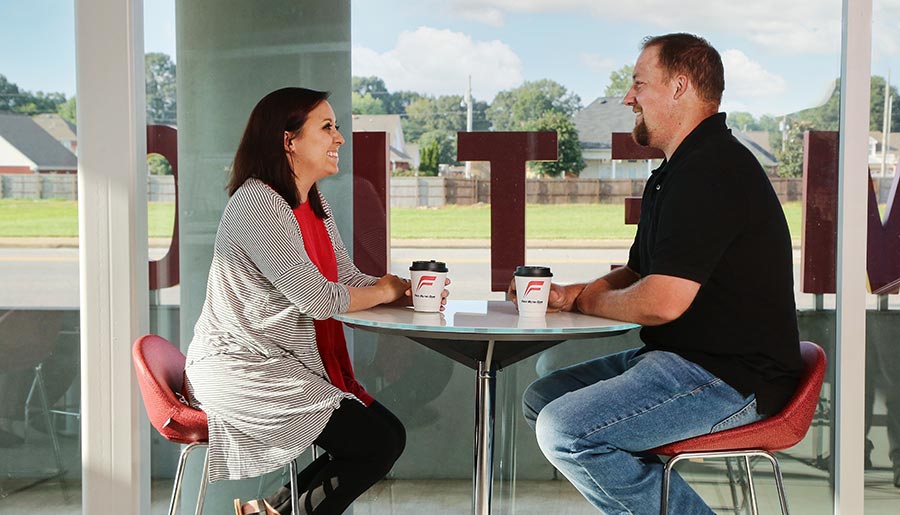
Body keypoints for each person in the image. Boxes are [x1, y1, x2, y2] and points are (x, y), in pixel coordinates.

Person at [512, 33, 804, 514]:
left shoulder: (712, 172)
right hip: (683, 361)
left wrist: (588, 303)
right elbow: (637, 272)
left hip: (731, 378)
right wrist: (572, 293)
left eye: (638, 84)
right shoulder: (678, 170)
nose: (628, 97)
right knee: (545, 398)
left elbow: (660, 302)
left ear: (679, 87)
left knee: (565, 429)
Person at [185, 87, 446, 515]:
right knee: (376, 442)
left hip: (277, 362)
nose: (339, 138)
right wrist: (384, 292)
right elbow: (315, 298)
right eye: (326, 127)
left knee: (385, 435)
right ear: (289, 141)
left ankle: (268, 511)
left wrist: (406, 292)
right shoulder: (256, 203)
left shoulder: (309, 201)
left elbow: (343, 278)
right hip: (241, 365)